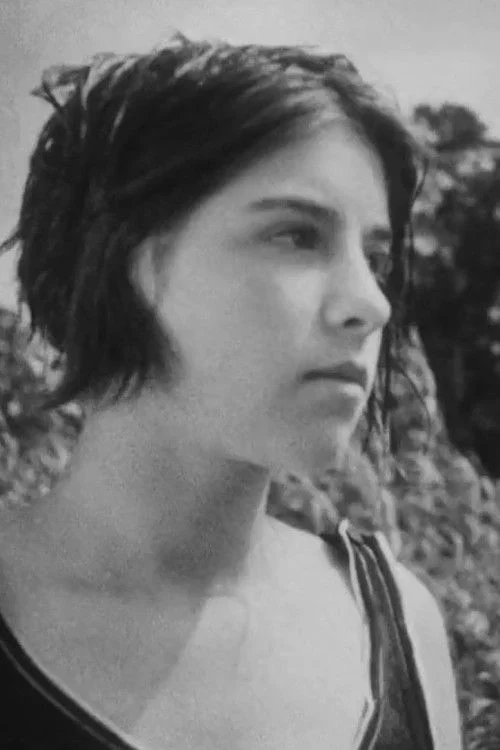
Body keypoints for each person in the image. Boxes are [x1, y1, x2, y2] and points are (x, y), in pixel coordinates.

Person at [0, 32, 462, 749]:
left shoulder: (402, 622)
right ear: (121, 261)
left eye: (375, 258)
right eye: (296, 236)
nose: (372, 303)